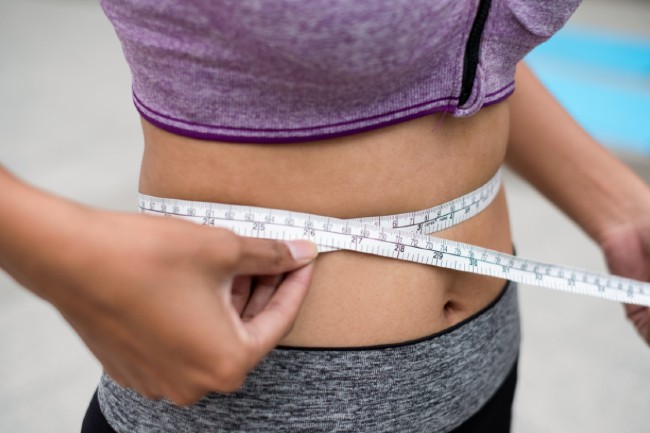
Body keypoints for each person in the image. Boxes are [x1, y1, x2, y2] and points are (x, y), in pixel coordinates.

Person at [1, 1, 648, 432]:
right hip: (257, 395)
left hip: (486, 360)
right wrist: (67, 255)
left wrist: (617, 206)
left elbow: (454, 55)